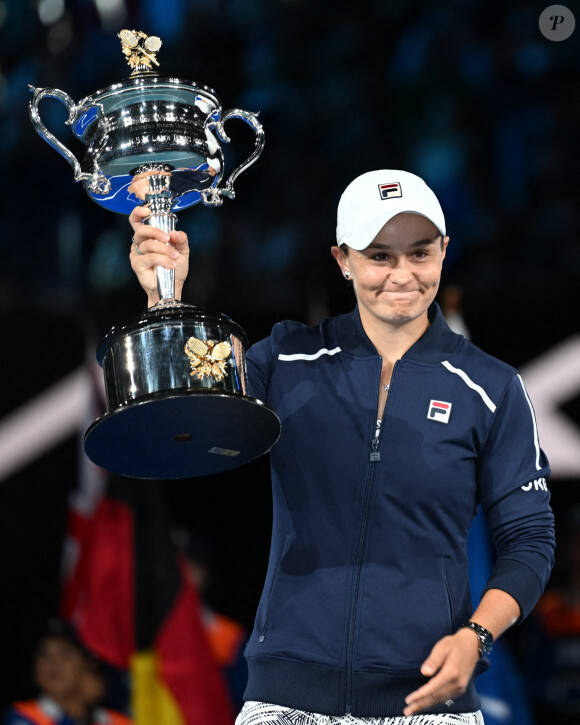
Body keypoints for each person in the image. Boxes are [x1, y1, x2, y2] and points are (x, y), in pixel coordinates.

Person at [129, 169, 555, 723]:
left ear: (444, 251)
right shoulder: (285, 358)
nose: (403, 275)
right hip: (284, 699)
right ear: (343, 259)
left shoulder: (491, 388)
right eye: (379, 256)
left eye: (420, 253)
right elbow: (188, 424)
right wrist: (168, 299)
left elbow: (529, 538)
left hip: (427, 703)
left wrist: (476, 636)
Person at [4, 620, 133, 725]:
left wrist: (84, 710)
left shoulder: (117, 721)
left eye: (65, 654)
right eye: (44, 655)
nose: (54, 664)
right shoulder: (22, 716)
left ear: (88, 665)